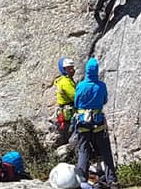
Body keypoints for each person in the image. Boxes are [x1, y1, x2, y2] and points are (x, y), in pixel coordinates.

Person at [74, 58, 117, 189]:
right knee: (105, 153)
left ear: (86, 71)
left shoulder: (80, 86)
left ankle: (82, 180)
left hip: (83, 123)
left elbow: (76, 103)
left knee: (83, 151)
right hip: (98, 124)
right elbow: (104, 100)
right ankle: (112, 181)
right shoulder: (101, 86)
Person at [53, 57, 77, 146]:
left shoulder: (66, 80)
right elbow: (74, 96)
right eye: (69, 68)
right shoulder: (65, 82)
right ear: (63, 69)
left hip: (66, 110)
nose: (72, 70)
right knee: (72, 130)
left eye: (72, 67)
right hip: (69, 110)